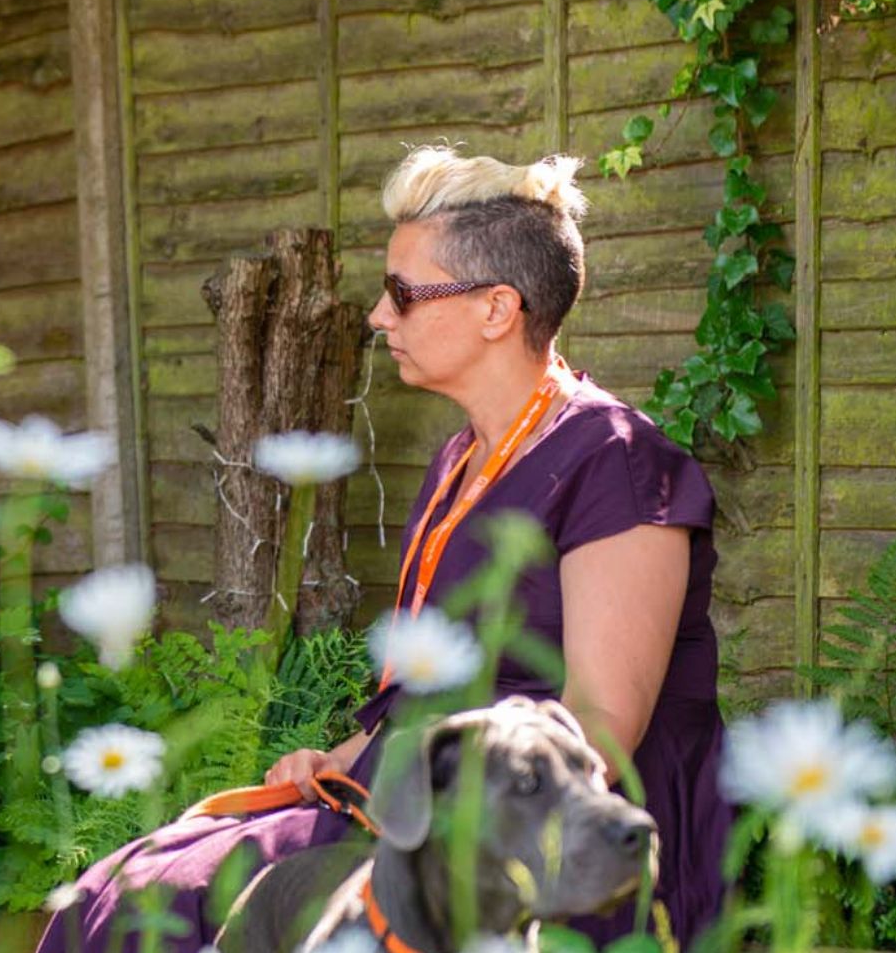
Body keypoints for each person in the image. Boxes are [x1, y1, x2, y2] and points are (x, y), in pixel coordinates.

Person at [38, 147, 731, 952]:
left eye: (402, 293)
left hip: (545, 846)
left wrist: (418, 832)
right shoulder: (459, 460)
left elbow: (601, 730)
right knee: (118, 890)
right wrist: (343, 756)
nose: (375, 315)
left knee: (159, 911)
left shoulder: (616, 459)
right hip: (415, 803)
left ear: (497, 309)